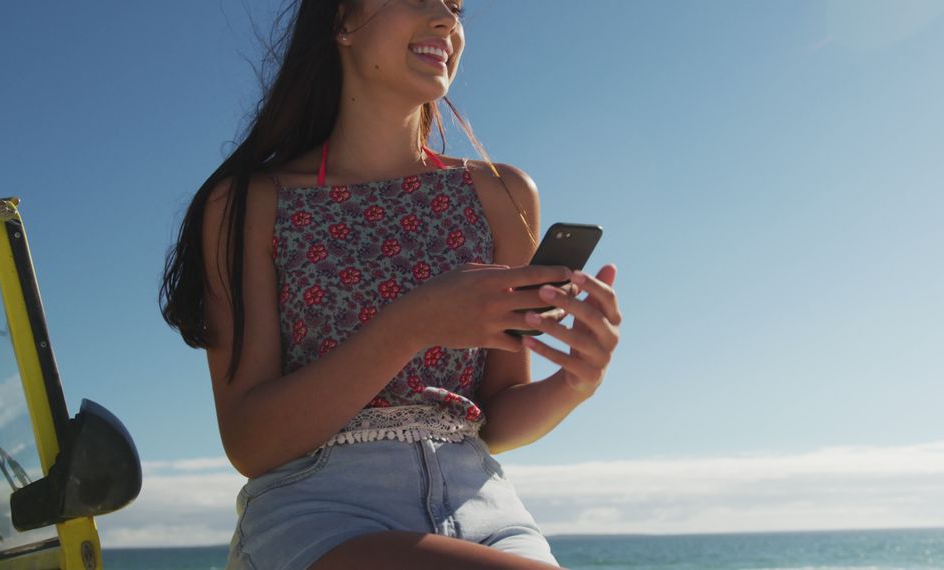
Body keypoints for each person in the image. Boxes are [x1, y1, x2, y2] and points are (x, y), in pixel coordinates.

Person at [160, 1, 623, 568]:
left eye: (454, 6)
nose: (446, 20)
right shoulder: (250, 203)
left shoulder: (502, 195)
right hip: (321, 509)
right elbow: (251, 442)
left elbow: (493, 415)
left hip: (486, 512)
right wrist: (411, 323)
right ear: (343, 21)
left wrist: (575, 384)